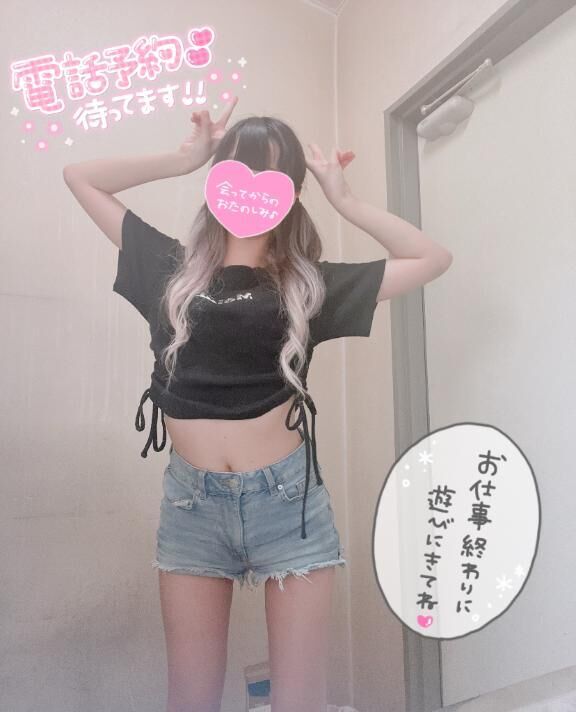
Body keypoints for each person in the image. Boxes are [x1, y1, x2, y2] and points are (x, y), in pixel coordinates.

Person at [62, 96, 452, 712]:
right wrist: (183, 158)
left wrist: (345, 200)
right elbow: (80, 176)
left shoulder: (311, 285)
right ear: (218, 178)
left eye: (271, 172)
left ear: (290, 191)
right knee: (190, 698)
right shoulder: (168, 268)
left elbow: (432, 259)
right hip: (192, 506)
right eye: (237, 166)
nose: (251, 184)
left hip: (288, 506)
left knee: (300, 700)